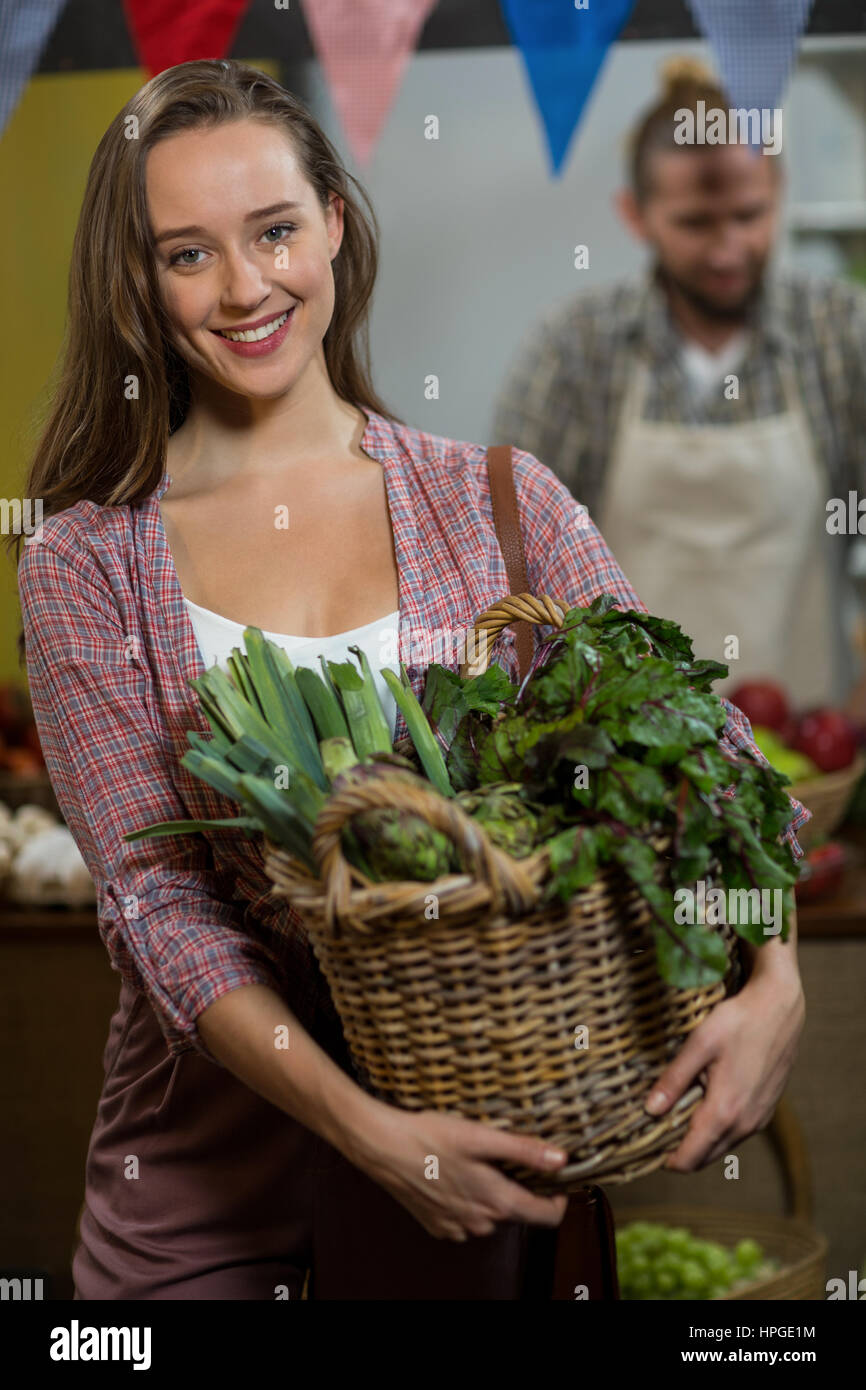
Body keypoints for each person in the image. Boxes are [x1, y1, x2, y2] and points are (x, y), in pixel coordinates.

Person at [12, 59, 808, 1301]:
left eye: (274, 229)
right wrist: (367, 1132)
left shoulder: (495, 499)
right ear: (137, 277)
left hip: (477, 1167)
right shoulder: (84, 559)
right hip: (199, 1188)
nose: (244, 288)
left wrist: (776, 978)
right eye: (186, 254)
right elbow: (156, 906)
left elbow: (701, 745)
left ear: (333, 218)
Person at [492, 57, 866, 714]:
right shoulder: (576, 349)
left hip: (813, 742)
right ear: (636, 214)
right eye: (696, 223)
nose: (727, 249)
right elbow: (507, 553)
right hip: (628, 751)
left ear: (778, 190)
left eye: (748, 215)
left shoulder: (840, 335)